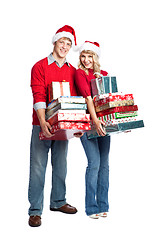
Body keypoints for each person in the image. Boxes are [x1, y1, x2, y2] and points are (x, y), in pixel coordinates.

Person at [28, 25, 78, 227]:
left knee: (61, 165)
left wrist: (77, 127)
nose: (65, 46)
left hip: (64, 127)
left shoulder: (73, 71)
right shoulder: (39, 66)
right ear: (54, 42)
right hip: (41, 124)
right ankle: (35, 211)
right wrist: (42, 122)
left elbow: (76, 100)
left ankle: (58, 201)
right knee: (38, 167)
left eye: (68, 44)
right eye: (62, 42)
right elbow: (38, 96)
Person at [75, 41, 111, 219]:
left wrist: (119, 123)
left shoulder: (103, 74)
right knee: (94, 163)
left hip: (104, 123)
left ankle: (103, 205)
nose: (86, 59)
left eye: (90, 56)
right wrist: (95, 121)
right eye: (83, 56)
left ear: (95, 57)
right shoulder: (79, 73)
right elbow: (88, 98)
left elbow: (108, 101)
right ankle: (91, 207)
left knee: (104, 166)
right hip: (89, 123)